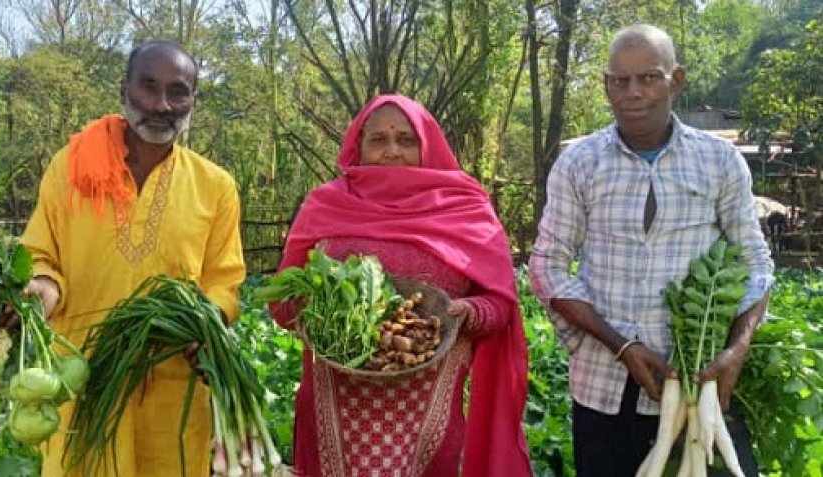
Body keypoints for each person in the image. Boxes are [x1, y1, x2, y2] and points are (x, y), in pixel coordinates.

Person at [529, 24, 773, 476]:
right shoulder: (579, 162)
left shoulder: (719, 161)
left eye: (649, 78)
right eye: (620, 81)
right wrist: (621, 345)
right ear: (606, 86)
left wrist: (738, 348)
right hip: (603, 387)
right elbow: (547, 266)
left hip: (702, 389)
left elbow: (755, 264)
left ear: (675, 80)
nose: (634, 92)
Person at [10, 40, 246, 476]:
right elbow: (41, 253)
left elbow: (224, 280)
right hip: (82, 378)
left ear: (193, 101)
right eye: (148, 86)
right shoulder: (71, 168)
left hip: (171, 387)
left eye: (178, 91)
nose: (161, 105)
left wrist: (207, 322)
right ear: (124, 90)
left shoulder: (215, 186)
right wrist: (41, 288)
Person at [269, 94, 531, 476]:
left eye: (406, 140)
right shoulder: (326, 205)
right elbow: (281, 303)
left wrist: (468, 313)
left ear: (427, 146)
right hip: (334, 411)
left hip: (428, 417)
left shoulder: (466, 208)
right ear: (358, 147)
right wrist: (315, 306)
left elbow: (500, 306)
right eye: (378, 140)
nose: (392, 151)